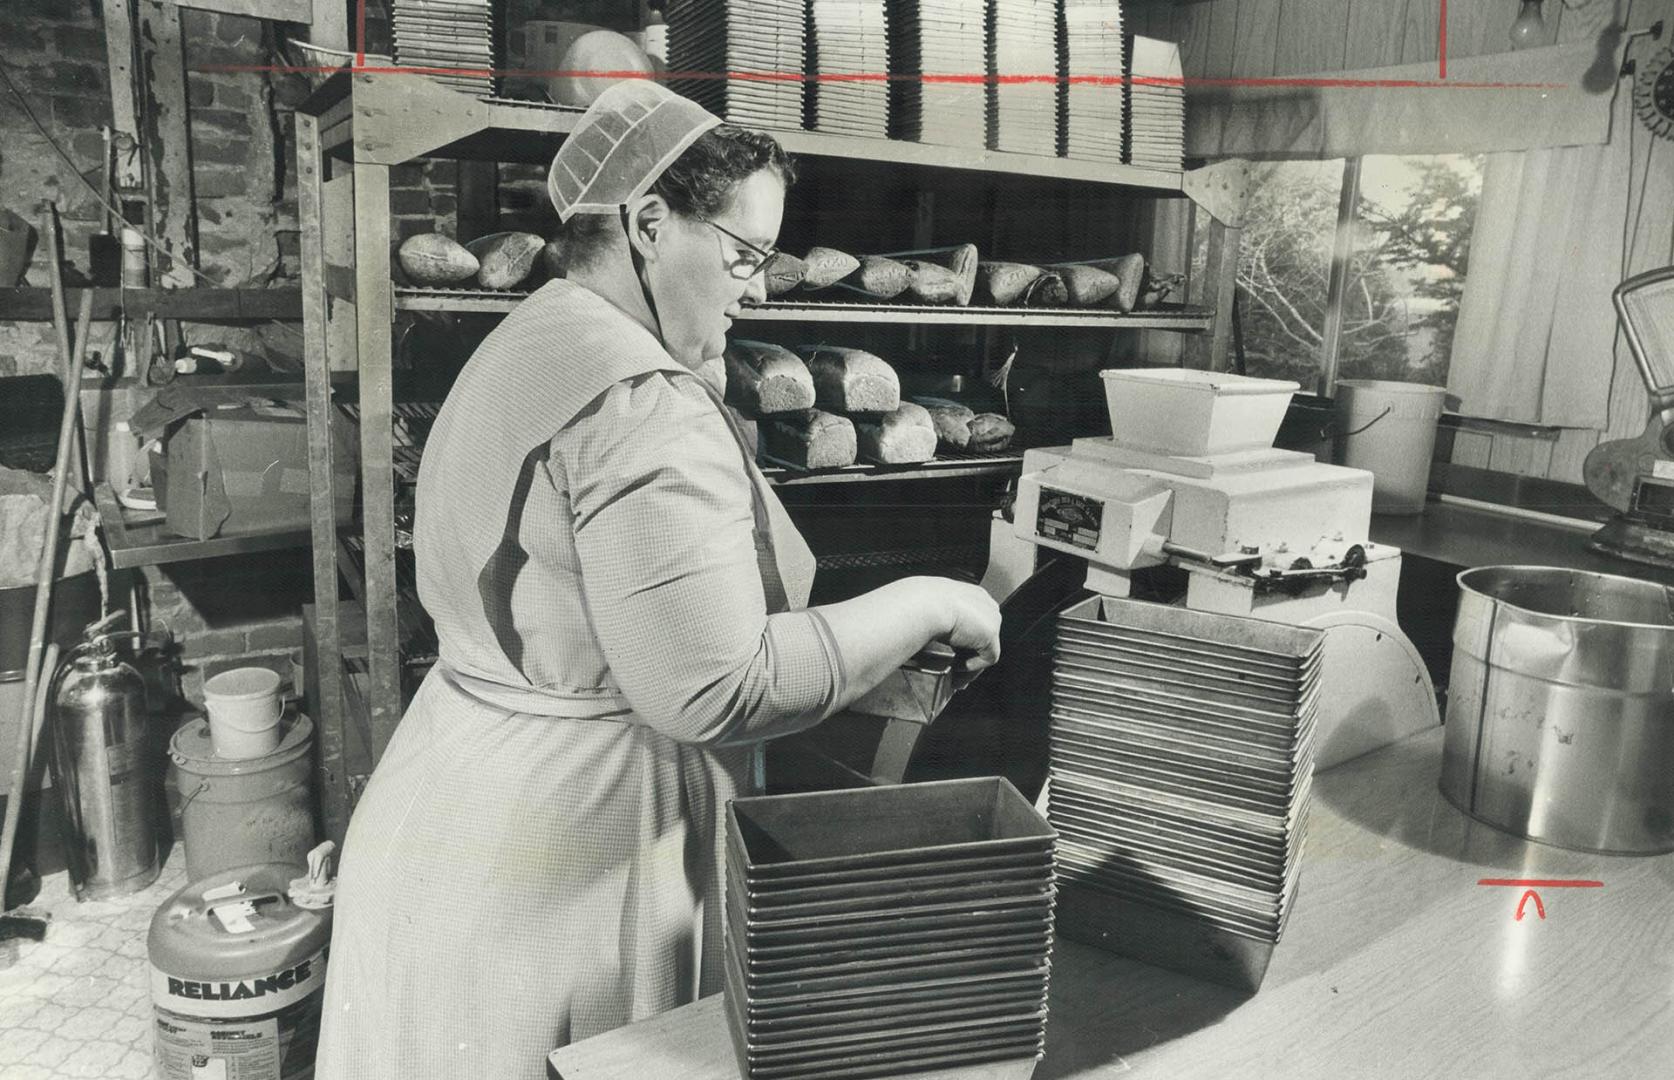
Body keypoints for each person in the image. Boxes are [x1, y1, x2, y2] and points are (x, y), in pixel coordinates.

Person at [313, 80, 1003, 1079]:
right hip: (565, 859)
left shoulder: (535, 334)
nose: (757, 289)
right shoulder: (641, 403)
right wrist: (932, 601)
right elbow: (714, 684)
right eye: (741, 255)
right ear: (646, 223)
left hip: (445, 808)